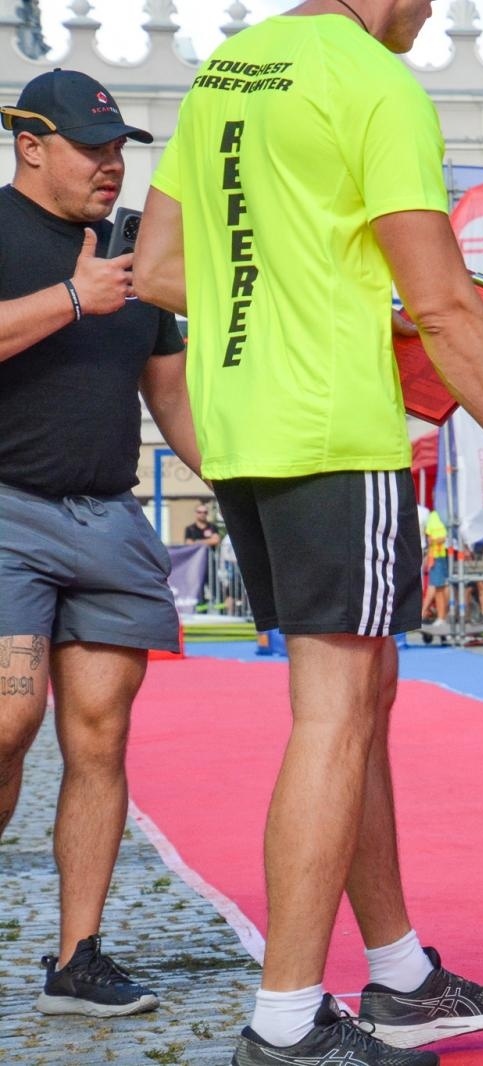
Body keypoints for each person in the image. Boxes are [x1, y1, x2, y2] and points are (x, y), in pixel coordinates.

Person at [131, 3, 483, 1063]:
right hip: (336, 426)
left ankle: (400, 975)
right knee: (335, 716)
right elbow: (444, 304)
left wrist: (299, 293)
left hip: (244, 428)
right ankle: (285, 1023)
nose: (431, 13)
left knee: (359, 697)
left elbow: (158, 269)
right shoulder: (374, 84)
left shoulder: (226, 72)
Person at [0, 68, 198, 1019]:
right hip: (8, 515)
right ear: (29, 144)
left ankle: (78, 959)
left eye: (120, 149)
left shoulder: (136, 255)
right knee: (6, 720)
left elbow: (172, 394)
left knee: (101, 736)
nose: (112, 166)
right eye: (92, 147)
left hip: (110, 521)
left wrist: (242, 483)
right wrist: (74, 300)